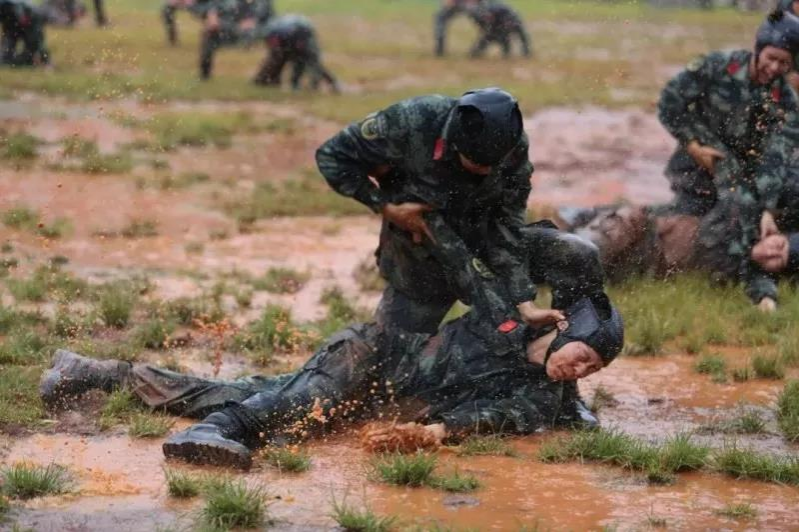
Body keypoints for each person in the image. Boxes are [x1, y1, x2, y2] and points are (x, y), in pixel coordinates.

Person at [40, 223, 624, 469]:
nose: (579, 369)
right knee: (293, 406)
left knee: (256, 393)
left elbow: (493, 417)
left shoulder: (543, 397)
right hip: (371, 354)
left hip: (385, 397)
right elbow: (544, 250)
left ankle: (91, 372)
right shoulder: (509, 311)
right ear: (561, 328)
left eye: (591, 370)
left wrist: (438, 433)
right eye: (581, 355)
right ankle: (215, 433)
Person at [316, 87, 558, 337]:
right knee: (394, 348)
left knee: (569, 256)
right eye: (477, 163)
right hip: (420, 259)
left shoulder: (511, 144)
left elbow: (508, 222)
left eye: (493, 165)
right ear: (456, 142)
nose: (487, 171)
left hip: (484, 248)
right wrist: (386, 207)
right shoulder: (412, 120)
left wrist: (522, 298)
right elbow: (333, 156)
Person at [655, 10, 799, 309]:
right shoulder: (718, 66)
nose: (774, 67)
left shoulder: (786, 102)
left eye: (784, 63)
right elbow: (670, 101)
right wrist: (693, 144)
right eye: (771, 58)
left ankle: (754, 283)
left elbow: (775, 160)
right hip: (695, 171)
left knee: (744, 216)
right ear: (758, 48)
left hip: (740, 178)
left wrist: (767, 208)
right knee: (679, 228)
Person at [252, 14, 339, 92]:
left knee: (310, 63)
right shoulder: (270, 33)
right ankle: (271, 81)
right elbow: (275, 54)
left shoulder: (294, 33)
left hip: (304, 37)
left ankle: (326, 84)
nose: (272, 45)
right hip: (293, 38)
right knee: (277, 58)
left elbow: (301, 53)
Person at [198, 0, 273, 80]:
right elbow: (213, 7)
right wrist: (212, 17)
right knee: (209, 33)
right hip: (229, 26)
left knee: (275, 38)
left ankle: (266, 75)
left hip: (253, 29)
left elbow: (267, 15)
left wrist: (253, 21)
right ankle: (205, 72)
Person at [467, 1, 531, 58]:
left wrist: (506, 27)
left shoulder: (498, 10)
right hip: (497, 23)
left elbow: (509, 25)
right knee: (488, 37)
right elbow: (485, 27)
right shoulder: (481, 13)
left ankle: (524, 52)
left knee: (515, 36)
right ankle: (476, 52)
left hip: (510, 20)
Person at [0, 0, 49, 67]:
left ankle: (44, 61)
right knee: (6, 55)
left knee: (33, 44)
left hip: (29, 21)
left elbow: (36, 39)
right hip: (12, 23)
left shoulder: (20, 8)